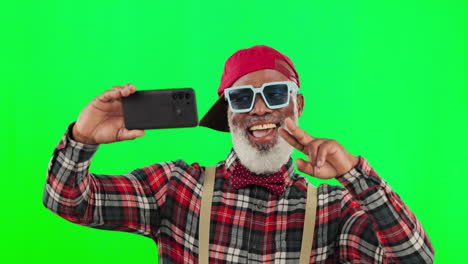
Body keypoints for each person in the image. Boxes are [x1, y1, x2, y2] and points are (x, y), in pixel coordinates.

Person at [43, 45, 434, 263]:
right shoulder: (177, 187)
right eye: (243, 98)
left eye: (275, 94)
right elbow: (68, 201)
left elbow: (416, 259)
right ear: (228, 113)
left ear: (297, 104)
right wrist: (82, 138)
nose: (260, 110)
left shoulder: (336, 209)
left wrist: (355, 176)